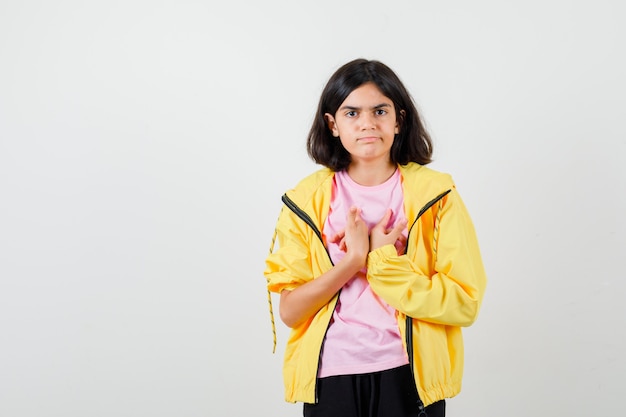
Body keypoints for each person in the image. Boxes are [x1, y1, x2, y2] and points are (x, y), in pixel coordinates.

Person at [264, 58, 487, 417]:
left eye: (379, 111)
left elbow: (464, 301)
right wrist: (354, 261)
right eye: (351, 113)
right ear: (332, 124)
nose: (367, 123)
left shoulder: (437, 195)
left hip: (408, 375)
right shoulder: (305, 201)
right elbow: (290, 311)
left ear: (399, 119)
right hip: (330, 376)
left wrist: (382, 264)